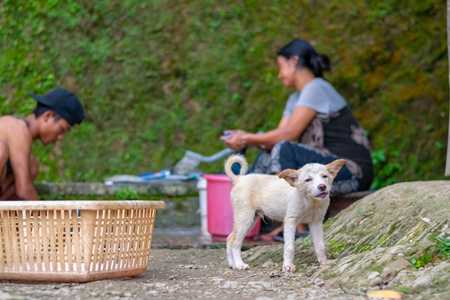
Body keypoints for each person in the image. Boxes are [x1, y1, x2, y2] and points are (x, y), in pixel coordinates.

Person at [220, 38, 373, 240]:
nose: (279, 74)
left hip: (349, 171)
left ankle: (296, 228)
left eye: (281, 66)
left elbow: (287, 135)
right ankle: (260, 218)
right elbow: (273, 140)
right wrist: (245, 138)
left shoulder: (317, 88)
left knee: (284, 148)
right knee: (268, 154)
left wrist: (246, 138)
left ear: (294, 60)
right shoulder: (296, 98)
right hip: (318, 170)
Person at [0, 88, 85, 200]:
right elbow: (24, 190)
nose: (61, 137)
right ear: (48, 116)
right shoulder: (17, 128)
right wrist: (48, 216)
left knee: (32, 165)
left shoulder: (23, 140)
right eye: (62, 129)